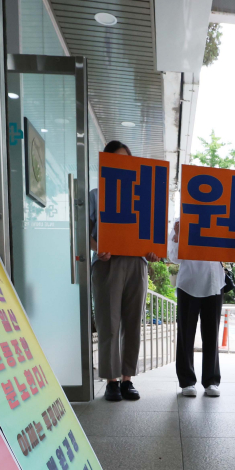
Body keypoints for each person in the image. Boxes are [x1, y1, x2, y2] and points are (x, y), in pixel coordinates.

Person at [90, 140, 160, 402]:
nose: (123, 165)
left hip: (137, 264)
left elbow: (152, 236)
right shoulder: (96, 195)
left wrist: (153, 252)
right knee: (109, 324)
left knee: (132, 324)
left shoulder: (143, 197)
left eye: (127, 160)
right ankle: (111, 380)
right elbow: (85, 233)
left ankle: (127, 379)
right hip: (108, 264)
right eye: (117, 160)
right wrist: (98, 249)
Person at [168, 219, 224, 397]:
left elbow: (228, 254)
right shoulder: (182, 220)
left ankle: (211, 381)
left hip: (214, 283)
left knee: (211, 334)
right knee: (186, 334)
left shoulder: (221, 220)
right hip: (189, 284)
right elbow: (173, 257)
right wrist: (177, 235)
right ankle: (187, 381)